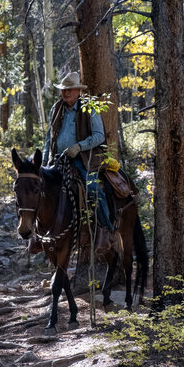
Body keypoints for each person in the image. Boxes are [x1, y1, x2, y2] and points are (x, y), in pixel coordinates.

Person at [42, 71, 115, 253]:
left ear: (78, 91)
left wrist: (79, 147)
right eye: (63, 90)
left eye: (70, 90)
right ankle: (39, 235)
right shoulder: (56, 109)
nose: (66, 93)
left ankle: (106, 231)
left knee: (93, 189)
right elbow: (48, 138)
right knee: (39, 189)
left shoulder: (89, 108)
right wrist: (44, 161)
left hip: (83, 160)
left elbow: (99, 136)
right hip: (58, 160)